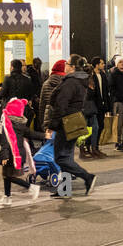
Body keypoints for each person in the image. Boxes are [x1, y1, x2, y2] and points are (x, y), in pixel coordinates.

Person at [46, 54, 97, 197]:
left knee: (60, 158)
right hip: (75, 120)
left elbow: (61, 105)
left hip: (66, 122)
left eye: (67, 64)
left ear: (73, 67)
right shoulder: (80, 81)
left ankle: (87, 177)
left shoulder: (70, 82)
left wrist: (52, 125)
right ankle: (65, 190)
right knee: (67, 157)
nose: (65, 66)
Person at [0, 98, 41, 206]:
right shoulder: (21, 124)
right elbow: (31, 133)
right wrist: (44, 136)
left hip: (11, 153)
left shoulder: (8, 123)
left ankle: (31, 188)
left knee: (10, 176)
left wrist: (5, 155)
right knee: (6, 175)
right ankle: (7, 197)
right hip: (18, 153)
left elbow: (5, 140)